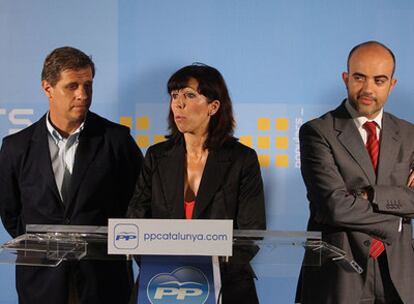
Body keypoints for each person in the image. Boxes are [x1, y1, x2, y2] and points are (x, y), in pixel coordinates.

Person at [0, 46, 143, 304]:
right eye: (72, 86)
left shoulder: (116, 140)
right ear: (47, 88)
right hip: (40, 284)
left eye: (88, 85)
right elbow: (11, 213)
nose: (83, 95)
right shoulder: (15, 147)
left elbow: (137, 204)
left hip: (104, 283)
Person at [127, 63, 266, 303]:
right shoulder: (156, 156)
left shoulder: (242, 159)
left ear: (213, 106)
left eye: (189, 95)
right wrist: (162, 268)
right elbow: (135, 222)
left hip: (226, 285)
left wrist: (204, 275)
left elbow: (250, 233)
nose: (178, 104)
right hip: (161, 283)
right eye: (174, 96)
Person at [296, 41, 414, 304]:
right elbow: (333, 206)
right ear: (346, 78)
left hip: (399, 277)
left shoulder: (410, 135)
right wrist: (395, 220)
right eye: (359, 77)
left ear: (392, 84)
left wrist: (365, 195)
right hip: (338, 276)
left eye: (379, 80)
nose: (368, 89)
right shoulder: (317, 132)